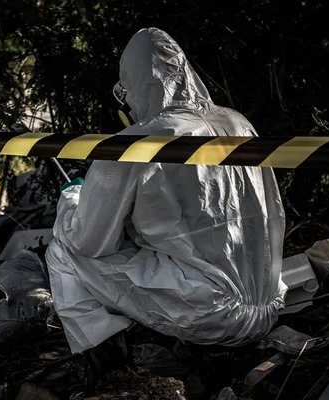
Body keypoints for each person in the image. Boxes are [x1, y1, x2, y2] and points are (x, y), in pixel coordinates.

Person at [46, 27, 287, 354]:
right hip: (269, 304)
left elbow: (87, 241)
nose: (128, 102)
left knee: (62, 248)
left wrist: (73, 197)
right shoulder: (236, 123)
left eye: (126, 90)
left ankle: (110, 357)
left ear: (135, 84)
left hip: (211, 315)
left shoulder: (137, 141)